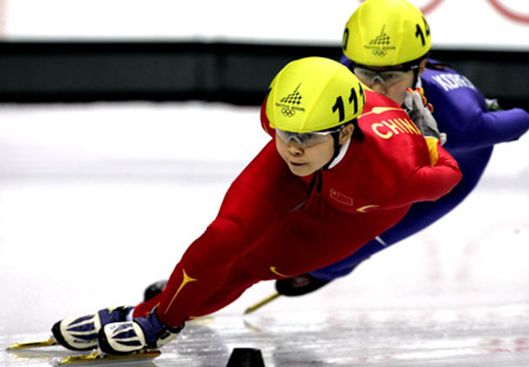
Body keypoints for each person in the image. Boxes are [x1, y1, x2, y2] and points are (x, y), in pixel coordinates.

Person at [51, 56, 461, 355]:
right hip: (313, 172)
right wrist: (295, 139)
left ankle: (153, 319)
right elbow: (294, 139)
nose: (295, 148)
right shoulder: (281, 125)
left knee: (248, 266)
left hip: (348, 212)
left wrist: (431, 144)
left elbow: (451, 175)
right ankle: (152, 320)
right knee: (224, 236)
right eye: (286, 133)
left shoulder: (390, 179)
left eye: (310, 137)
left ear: (344, 132)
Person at [275, 0, 529, 297]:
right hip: (386, 145)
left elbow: (521, 119)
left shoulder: (458, 120)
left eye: (392, 76)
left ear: (420, 67)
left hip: (452, 163)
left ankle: (334, 268)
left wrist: (488, 113)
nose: (378, 88)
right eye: (368, 75)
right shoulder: (343, 73)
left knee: (330, 259)